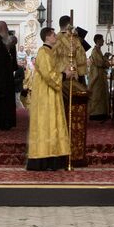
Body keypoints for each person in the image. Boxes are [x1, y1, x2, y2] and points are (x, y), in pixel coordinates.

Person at [26, 28, 72, 171]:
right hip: (45, 94)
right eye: (53, 35)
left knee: (53, 124)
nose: (55, 37)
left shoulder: (49, 52)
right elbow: (49, 74)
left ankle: (55, 157)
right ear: (47, 37)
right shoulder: (43, 52)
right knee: (46, 124)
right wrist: (64, 75)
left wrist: (64, 71)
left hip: (51, 93)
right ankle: (44, 158)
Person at [87, 34, 110, 122]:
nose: (103, 41)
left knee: (102, 94)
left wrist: (105, 58)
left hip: (101, 76)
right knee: (96, 95)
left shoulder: (98, 50)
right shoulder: (94, 51)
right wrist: (106, 60)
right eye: (102, 39)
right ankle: (95, 114)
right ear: (98, 40)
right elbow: (99, 62)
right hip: (96, 77)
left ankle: (102, 113)